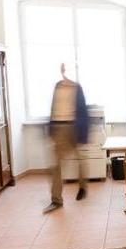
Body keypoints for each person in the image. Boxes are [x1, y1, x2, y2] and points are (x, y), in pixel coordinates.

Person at [44, 64, 89, 213]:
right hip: (59, 128)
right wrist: (51, 130)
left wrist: (83, 134)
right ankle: (56, 200)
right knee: (56, 165)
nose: (64, 72)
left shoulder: (77, 87)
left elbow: (83, 111)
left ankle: (83, 186)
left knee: (80, 159)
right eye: (62, 69)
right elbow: (53, 108)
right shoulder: (57, 87)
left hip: (74, 127)